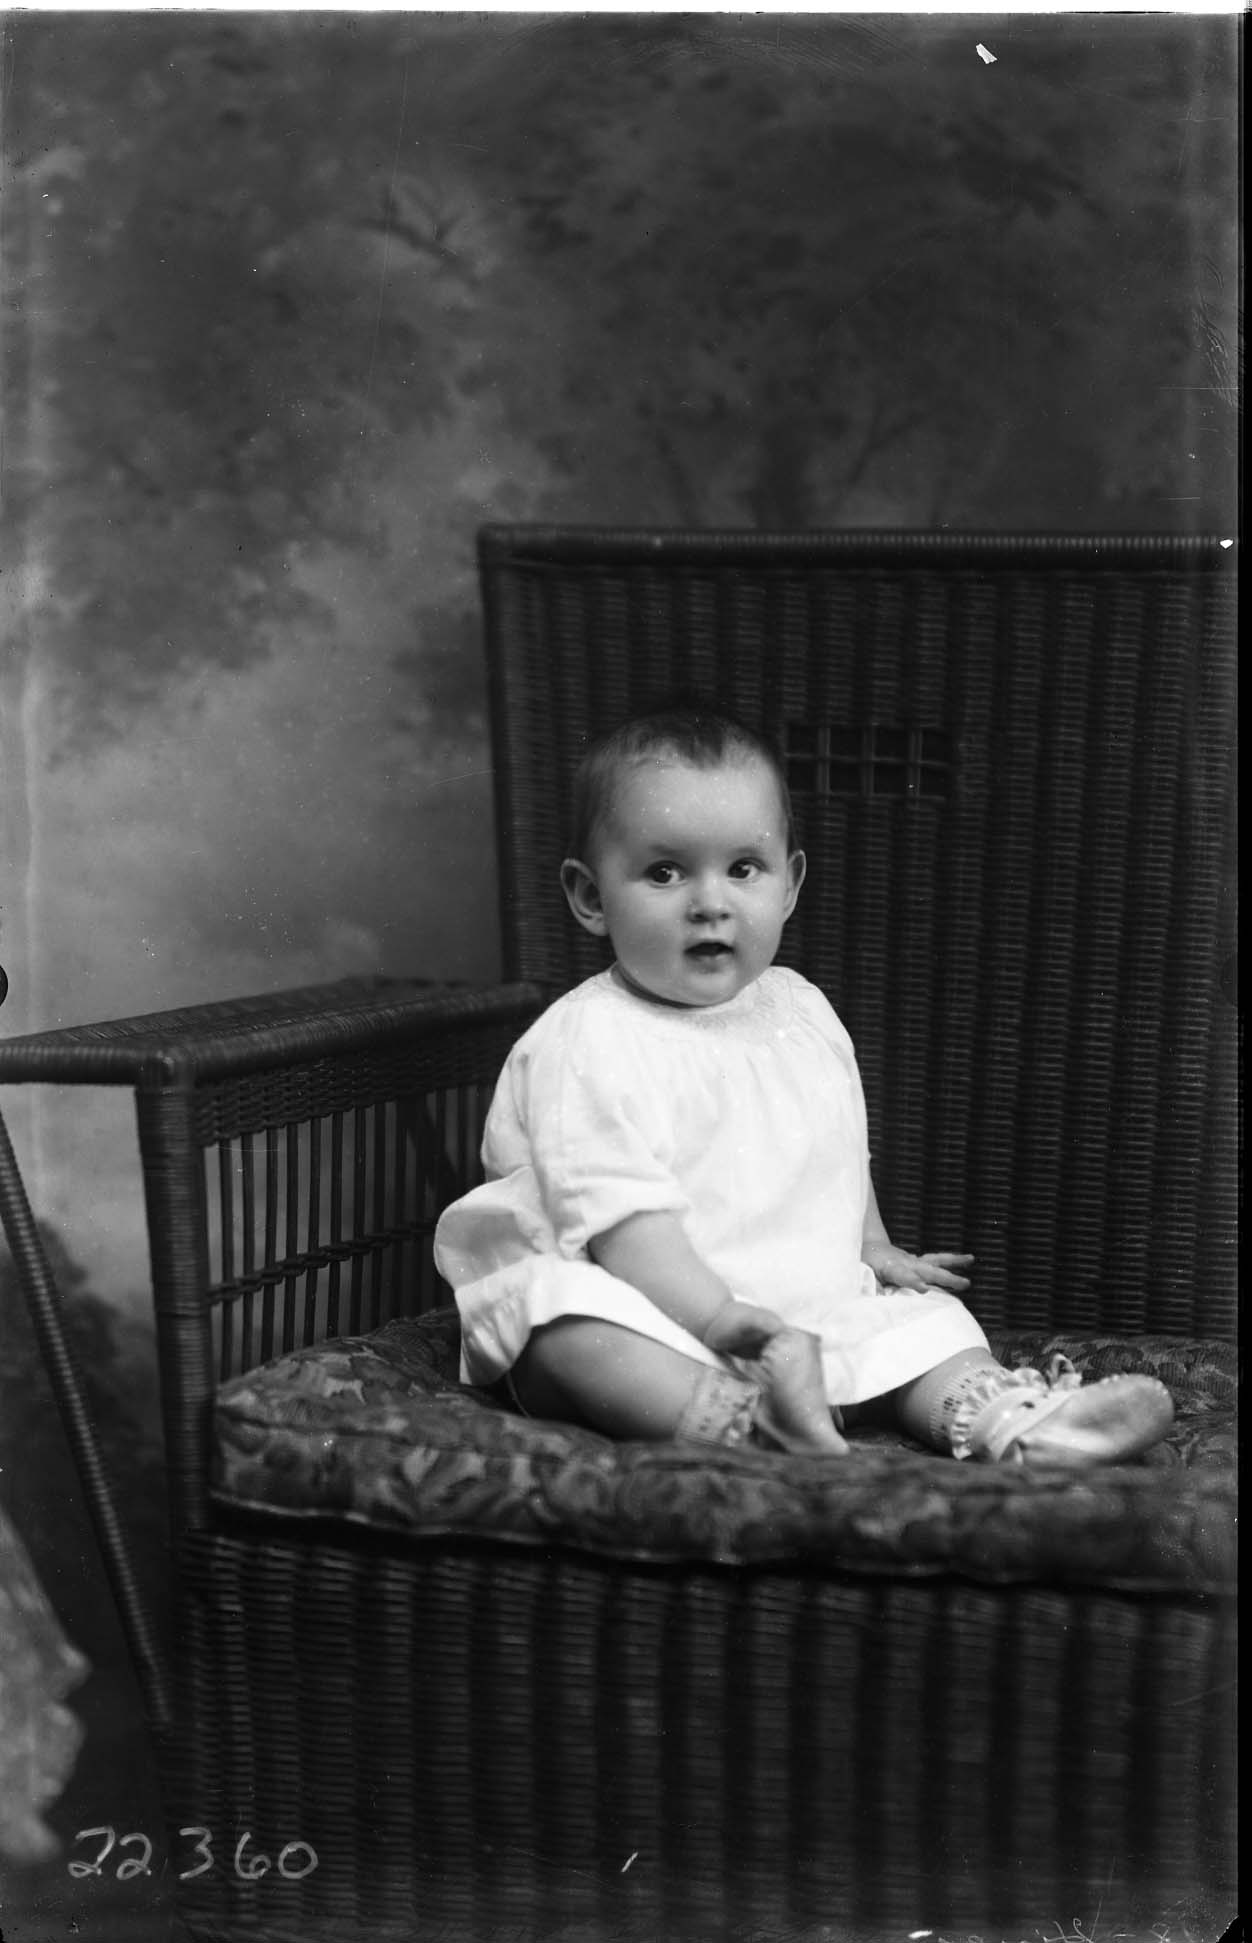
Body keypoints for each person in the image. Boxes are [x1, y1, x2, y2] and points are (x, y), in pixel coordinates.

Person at [435, 707, 1174, 1465]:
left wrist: (872, 1244)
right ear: (592, 897)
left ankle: (1013, 1422)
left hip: (796, 1310)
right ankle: (748, 1423)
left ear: (788, 884)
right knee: (564, 1324)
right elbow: (623, 1226)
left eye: (742, 869)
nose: (711, 902)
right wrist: (719, 1321)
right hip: (645, 1302)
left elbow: (835, 1142)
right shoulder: (586, 1041)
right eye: (665, 872)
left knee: (926, 1321)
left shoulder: (798, 1008)